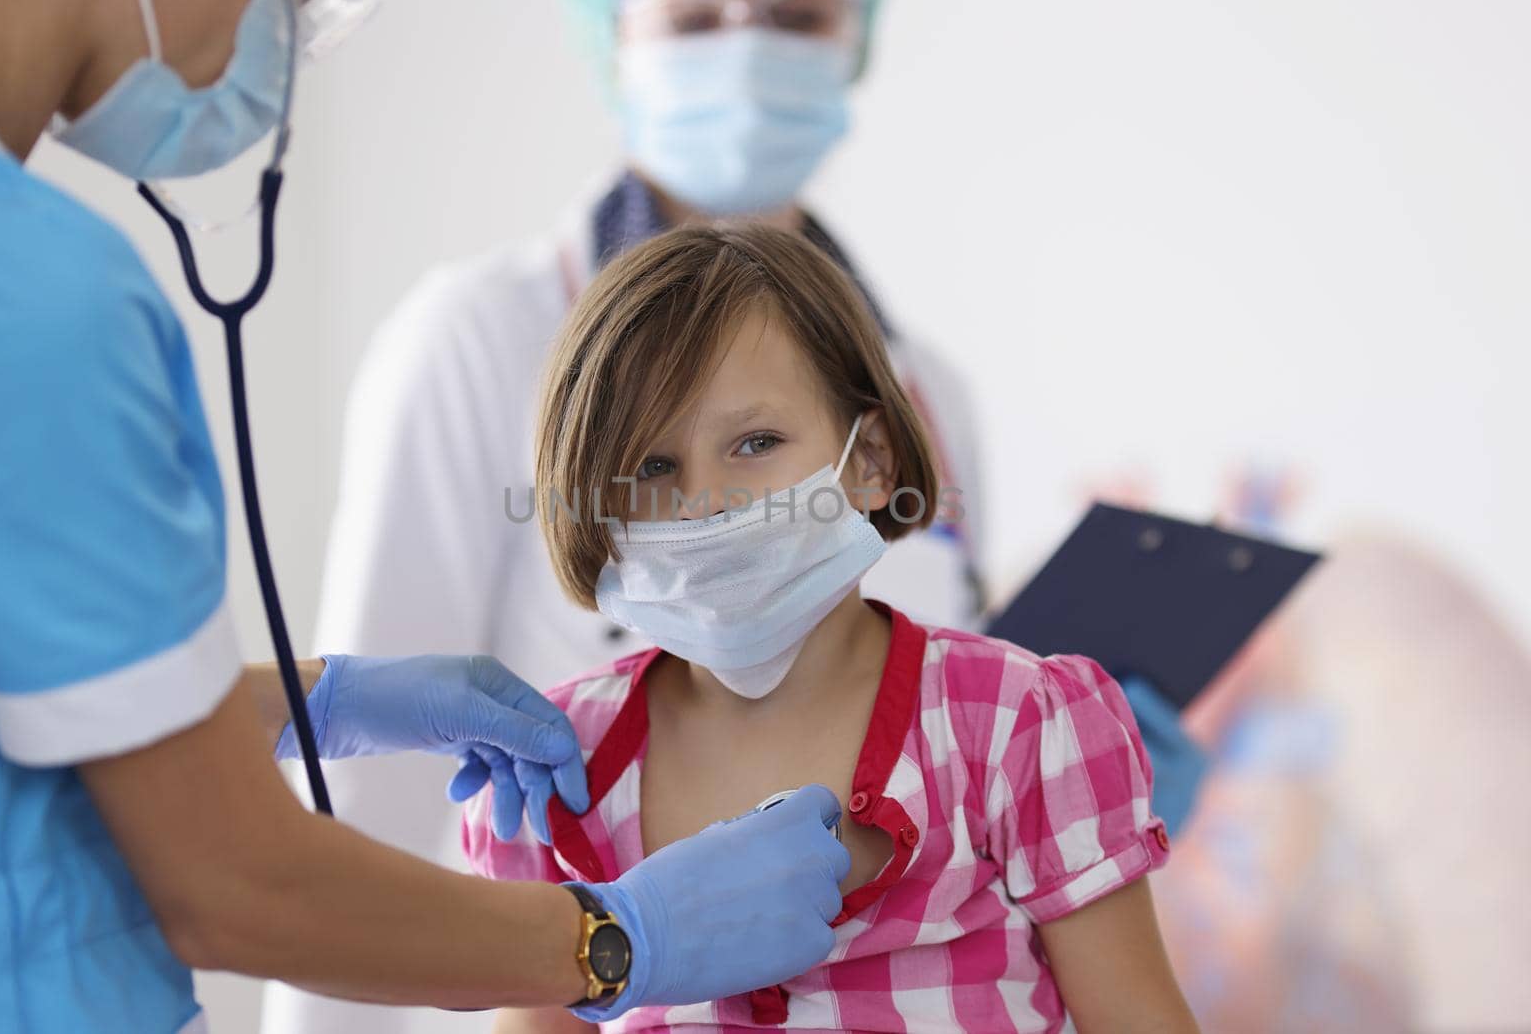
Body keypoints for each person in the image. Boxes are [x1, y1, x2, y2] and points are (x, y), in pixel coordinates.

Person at [0, 0, 853, 1030]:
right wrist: (613, 938)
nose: (273, 38)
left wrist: (311, 701)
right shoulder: (17, 295)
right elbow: (233, 881)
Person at [465, 224, 1199, 1033]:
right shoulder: (560, 768)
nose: (706, 501)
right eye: (652, 466)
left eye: (756, 442)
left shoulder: (1015, 725)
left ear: (872, 460)